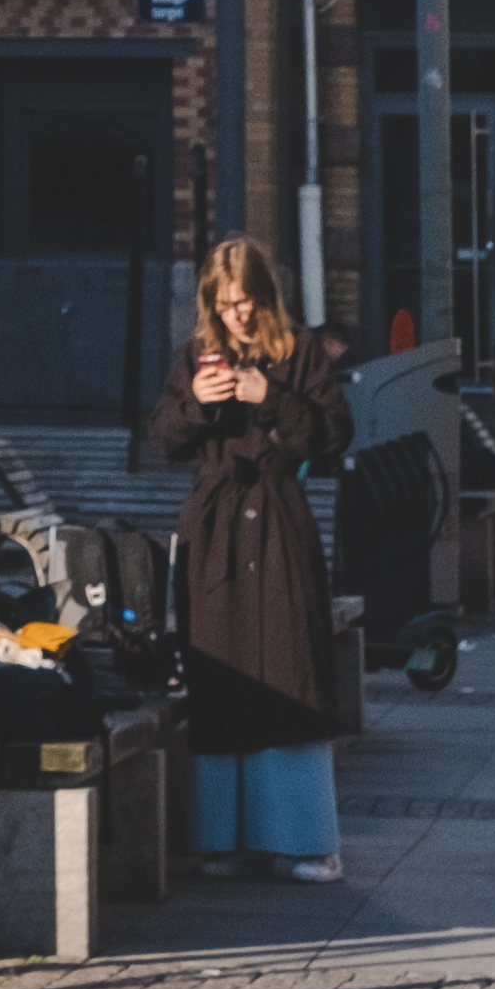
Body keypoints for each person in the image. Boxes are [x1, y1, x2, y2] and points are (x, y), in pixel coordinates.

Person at [145, 232, 353, 880]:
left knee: (290, 670)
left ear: (266, 296)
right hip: (216, 533)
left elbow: (331, 434)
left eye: (246, 300)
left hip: (278, 525)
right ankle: (224, 839)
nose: (236, 313)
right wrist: (195, 406)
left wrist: (272, 399)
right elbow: (162, 440)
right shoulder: (196, 356)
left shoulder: (302, 354)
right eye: (225, 301)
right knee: (222, 676)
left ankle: (305, 842)